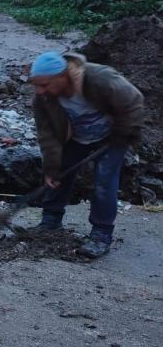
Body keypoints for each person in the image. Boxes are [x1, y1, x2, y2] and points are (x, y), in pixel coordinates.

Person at [29, 50, 144, 258]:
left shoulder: (99, 79)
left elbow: (133, 101)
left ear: (63, 76)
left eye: (44, 84)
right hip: (76, 138)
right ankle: (50, 220)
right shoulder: (43, 99)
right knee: (59, 174)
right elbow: (47, 135)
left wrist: (123, 135)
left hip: (112, 137)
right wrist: (51, 166)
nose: (39, 91)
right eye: (36, 85)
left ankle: (101, 234)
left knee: (104, 181)